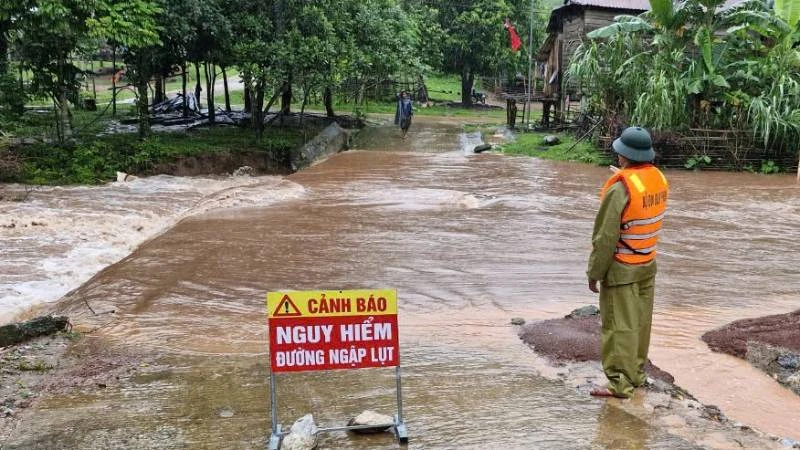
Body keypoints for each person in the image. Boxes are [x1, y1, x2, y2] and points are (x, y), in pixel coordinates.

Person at [587, 126, 669, 399]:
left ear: (624, 155)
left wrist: (594, 273)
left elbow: (605, 237)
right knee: (641, 323)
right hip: (647, 264)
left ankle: (620, 384)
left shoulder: (620, 188)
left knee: (618, 325)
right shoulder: (657, 178)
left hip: (622, 268)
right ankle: (636, 374)